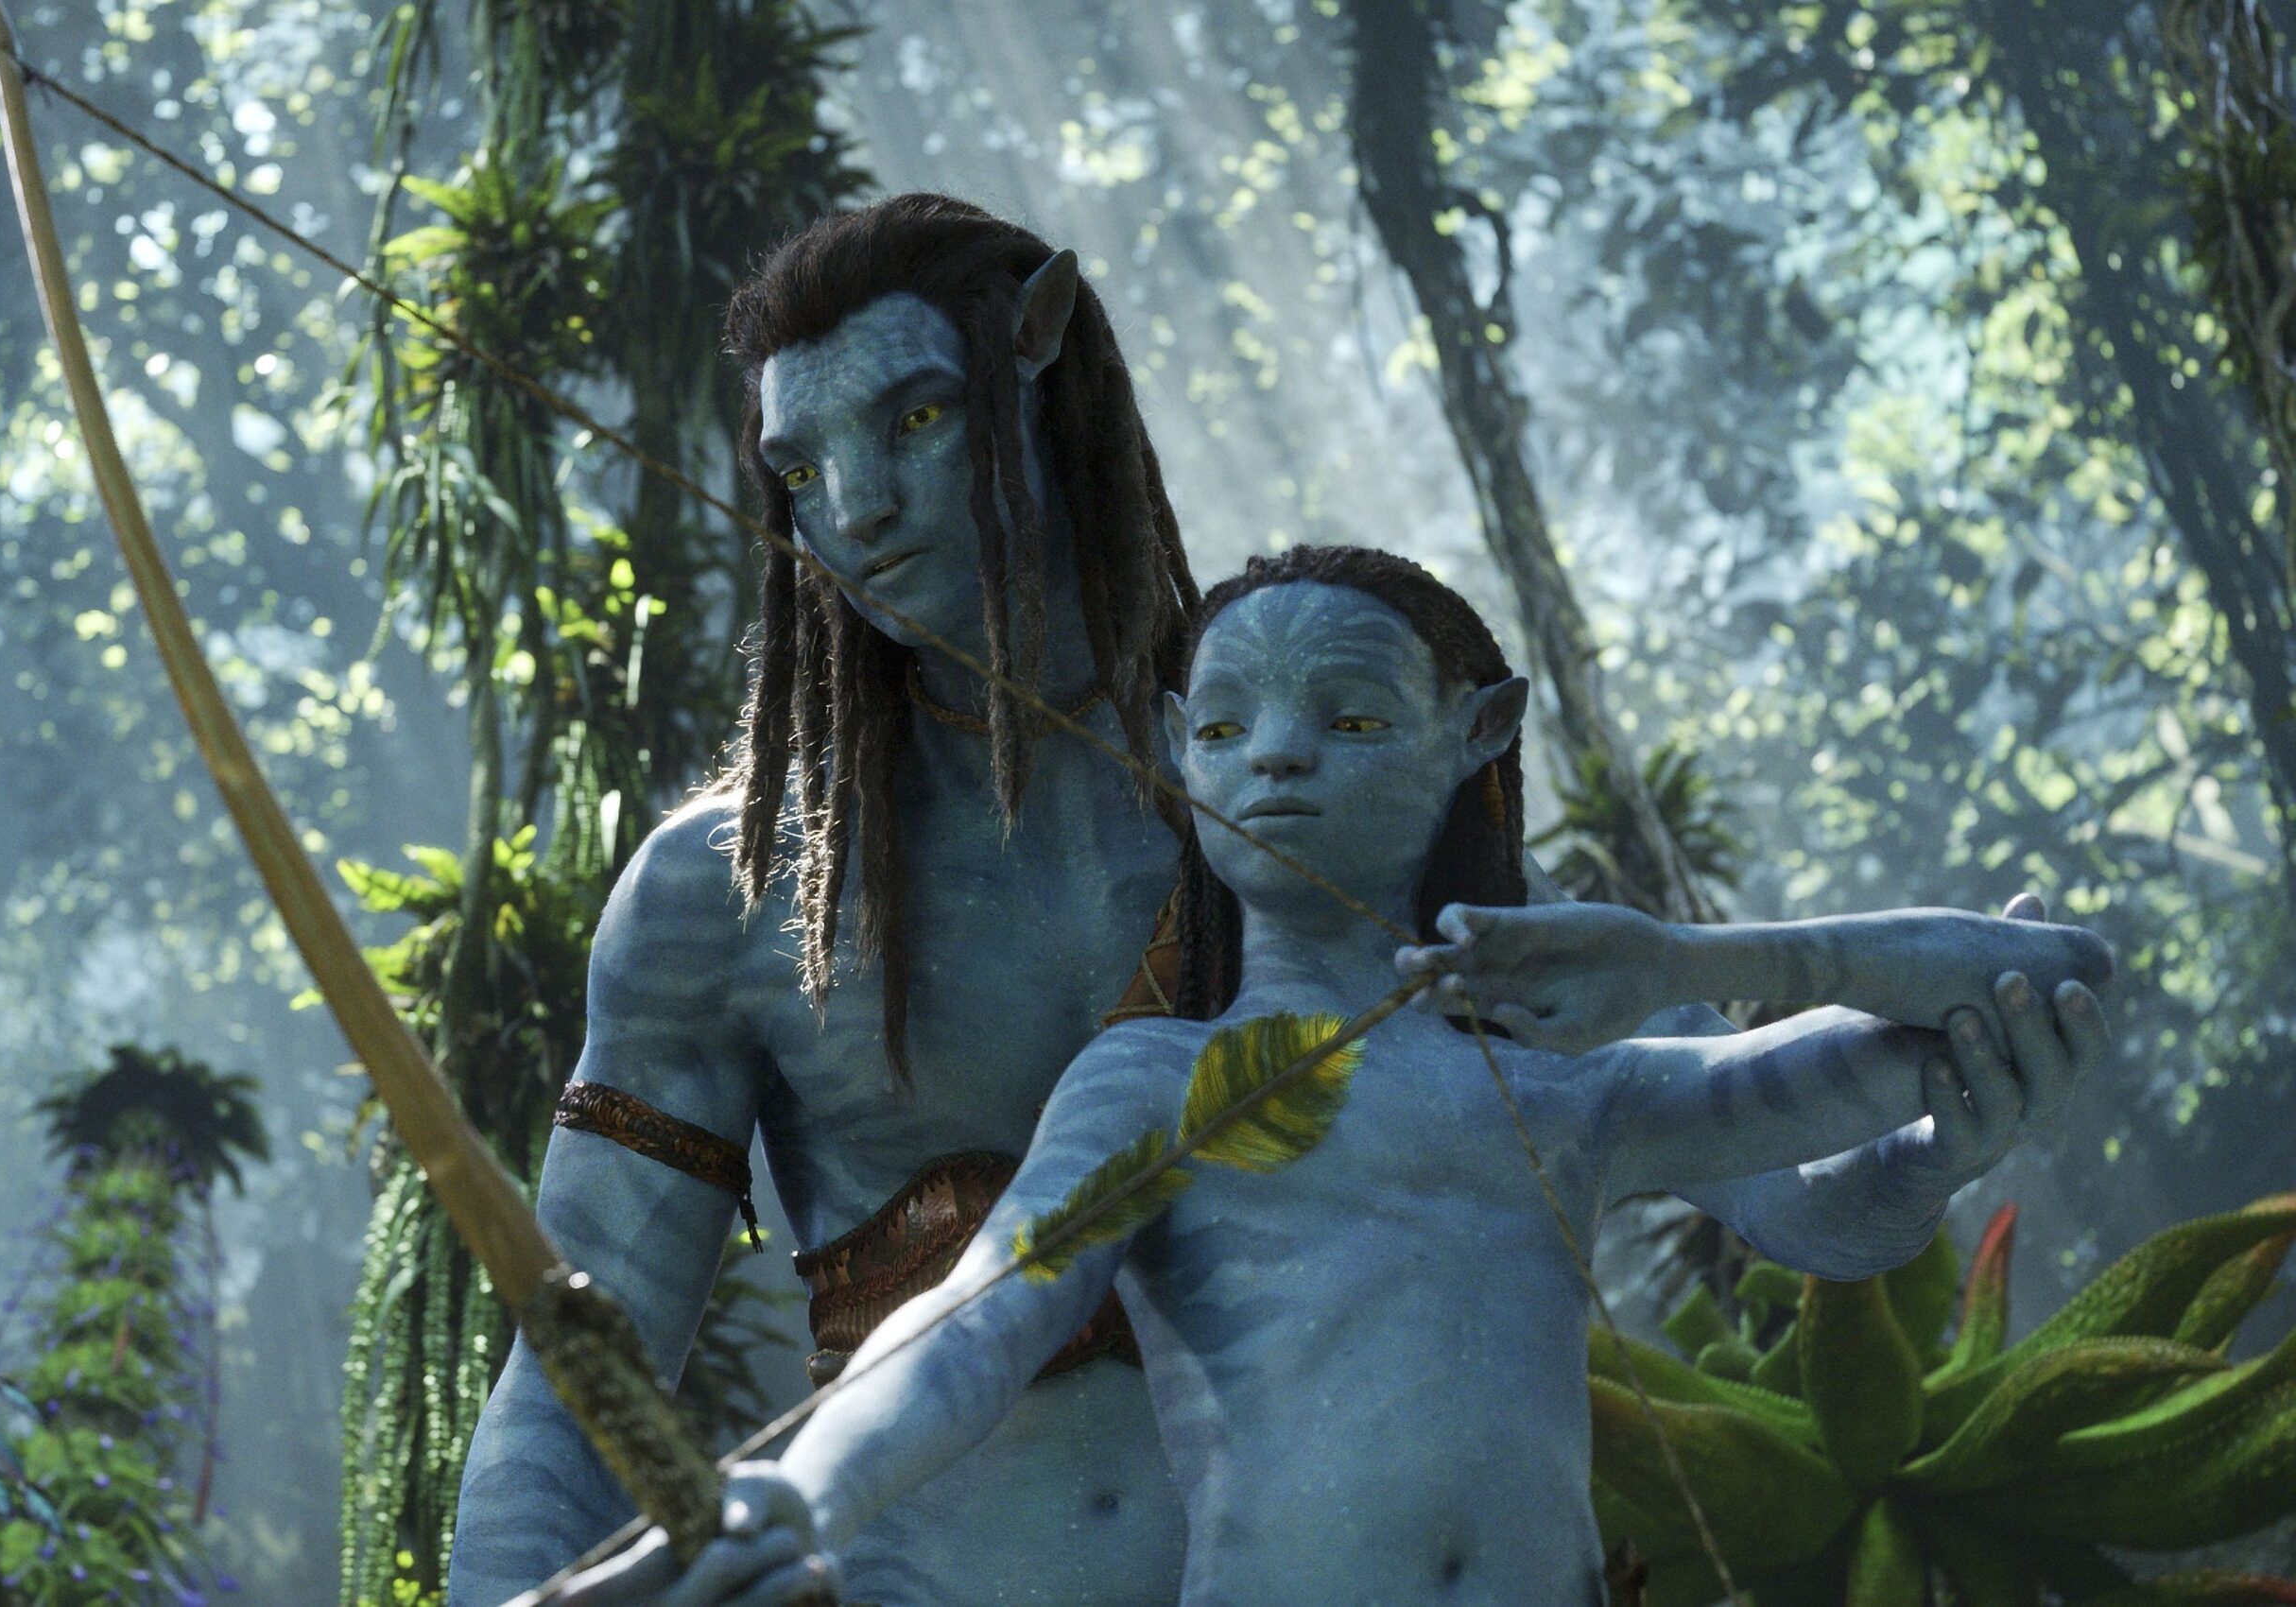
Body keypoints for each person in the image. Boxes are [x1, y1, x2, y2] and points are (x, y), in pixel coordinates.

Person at [455, 196, 2105, 1607]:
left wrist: (1938, 1141)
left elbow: (1779, 1189)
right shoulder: (725, 892)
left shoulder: (1313, 801)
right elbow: (580, 1357)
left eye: (916, 420)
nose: (856, 508)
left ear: (1039, 359)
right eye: (801, 469)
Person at [628, 546, 2112, 1607]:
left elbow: (2050, 975)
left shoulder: (1567, 1082)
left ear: (1480, 731)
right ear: (1176, 754)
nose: (1275, 760)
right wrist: (805, 1490)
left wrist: (1679, 965)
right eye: (1225, 728)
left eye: (1348, 720)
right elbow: (978, 1325)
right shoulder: (1155, 1085)